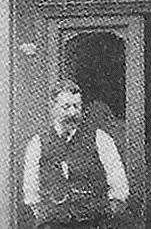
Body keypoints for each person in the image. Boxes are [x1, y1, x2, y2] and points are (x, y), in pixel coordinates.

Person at [22, 79, 129, 228]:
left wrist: (102, 214)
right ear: (52, 108)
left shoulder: (100, 138)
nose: (72, 112)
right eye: (66, 107)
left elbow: (119, 187)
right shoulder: (38, 143)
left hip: (92, 222)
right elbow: (31, 191)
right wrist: (48, 215)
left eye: (76, 106)